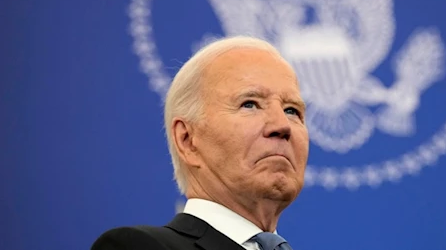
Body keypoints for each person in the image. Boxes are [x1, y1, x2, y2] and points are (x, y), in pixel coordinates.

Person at [91, 36, 309, 250]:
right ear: (187, 140)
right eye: (250, 104)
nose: (282, 125)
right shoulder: (135, 246)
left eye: (291, 110)